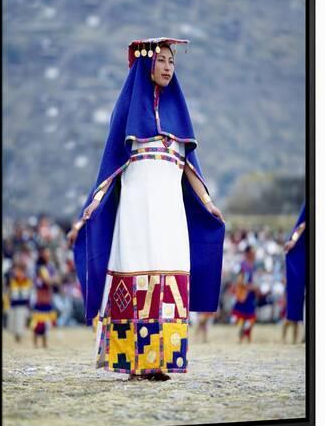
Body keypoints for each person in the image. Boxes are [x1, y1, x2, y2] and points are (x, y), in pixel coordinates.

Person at [68, 37, 225, 381]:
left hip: (171, 212)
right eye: (163, 60)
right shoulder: (126, 114)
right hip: (137, 212)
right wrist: (94, 202)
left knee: (167, 277)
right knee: (136, 275)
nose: (169, 66)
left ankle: (161, 361)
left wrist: (209, 203)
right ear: (147, 64)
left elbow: (190, 168)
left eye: (173, 62)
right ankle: (134, 363)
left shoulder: (179, 119)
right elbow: (110, 166)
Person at [282, 202, 306, 344]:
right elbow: (301, 226)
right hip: (302, 250)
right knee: (291, 318)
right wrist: (293, 240)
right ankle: (288, 339)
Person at [231, 245, 258, 343]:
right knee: (246, 318)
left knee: (249, 318)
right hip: (244, 294)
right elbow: (240, 281)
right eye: (252, 252)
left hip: (250, 294)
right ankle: (242, 337)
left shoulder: (252, 265)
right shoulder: (243, 265)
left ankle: (246, 337)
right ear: (248, 253)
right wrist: (251, 287)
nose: (254, 254)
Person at [7, 260, 34, 343]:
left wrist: (29, 304)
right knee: (11, 324)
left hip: (22, 304)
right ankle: (16, 333)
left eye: (19, 271)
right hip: (13, 304)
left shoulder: (27, 281)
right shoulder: (12, 280)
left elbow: (30, 293)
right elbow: (9, 292)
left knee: (20, 320)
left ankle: (19, 335)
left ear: (23, 272)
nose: (17, 273)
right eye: (16, 271)